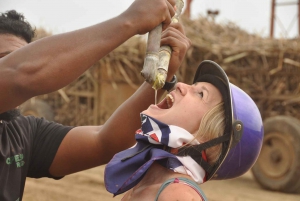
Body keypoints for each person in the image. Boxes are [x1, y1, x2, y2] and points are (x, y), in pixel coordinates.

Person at [0, 2, 192, 201]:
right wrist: (130, 21)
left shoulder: (21, 133)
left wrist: (161, 78)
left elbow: (105, 142)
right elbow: (22, 76)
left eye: (23, 56)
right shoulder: (21, 77)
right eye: (5, 60)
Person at [104, 60, 264, 200]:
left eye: (201, 94)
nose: (180, 85)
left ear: (209, 139)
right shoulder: (147, 185)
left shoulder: (178, 195)